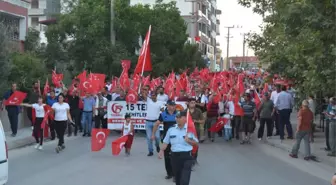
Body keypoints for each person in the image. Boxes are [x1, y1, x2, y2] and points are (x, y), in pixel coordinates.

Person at [158, 110, 199, 185]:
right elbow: (165, 142)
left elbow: (196, 144)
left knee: (184, 180)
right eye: (176, 117)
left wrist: (189, 141)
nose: (177, 119)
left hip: (186, 157)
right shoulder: (171, 130)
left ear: (184, 118)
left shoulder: (189, 130)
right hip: (175, 157)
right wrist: (161, 150)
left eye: (179, 117)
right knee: (178, 179)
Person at [153, 100, 178, 181]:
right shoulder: (163, 114)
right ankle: (169, 173)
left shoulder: (178, 114)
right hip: (166, 140)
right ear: (167, 105)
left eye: (174, 105)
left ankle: (175, 174)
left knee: (175, 157)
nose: (173, 107)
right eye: (171, 105)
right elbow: (156, 124)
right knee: (167, 157)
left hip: (176, 139)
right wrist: (153, 134)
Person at [144, 92, 163, 156]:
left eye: (154, 95)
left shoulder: (160, 102)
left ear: (156, 96)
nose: (153, 96)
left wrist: (162, 110)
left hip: (156, 122)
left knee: (157, 137)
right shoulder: (148, 101)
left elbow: (162, 109)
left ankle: (157, 145)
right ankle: (150, 151)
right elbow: (143, 94)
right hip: (148, 121)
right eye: (152, 95)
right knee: (149, 137)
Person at [187, 98, 204, 165]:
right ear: (188, 103)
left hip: (196, 131)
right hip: (187, 131)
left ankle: (194, 158)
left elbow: (202, 120)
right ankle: (189, 159)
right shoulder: (186, 111)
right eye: (191, 102)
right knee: (188, 144)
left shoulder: (198, 111)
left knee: (195, 145)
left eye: (194, 103)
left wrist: (196, 121)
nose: (193, 104)